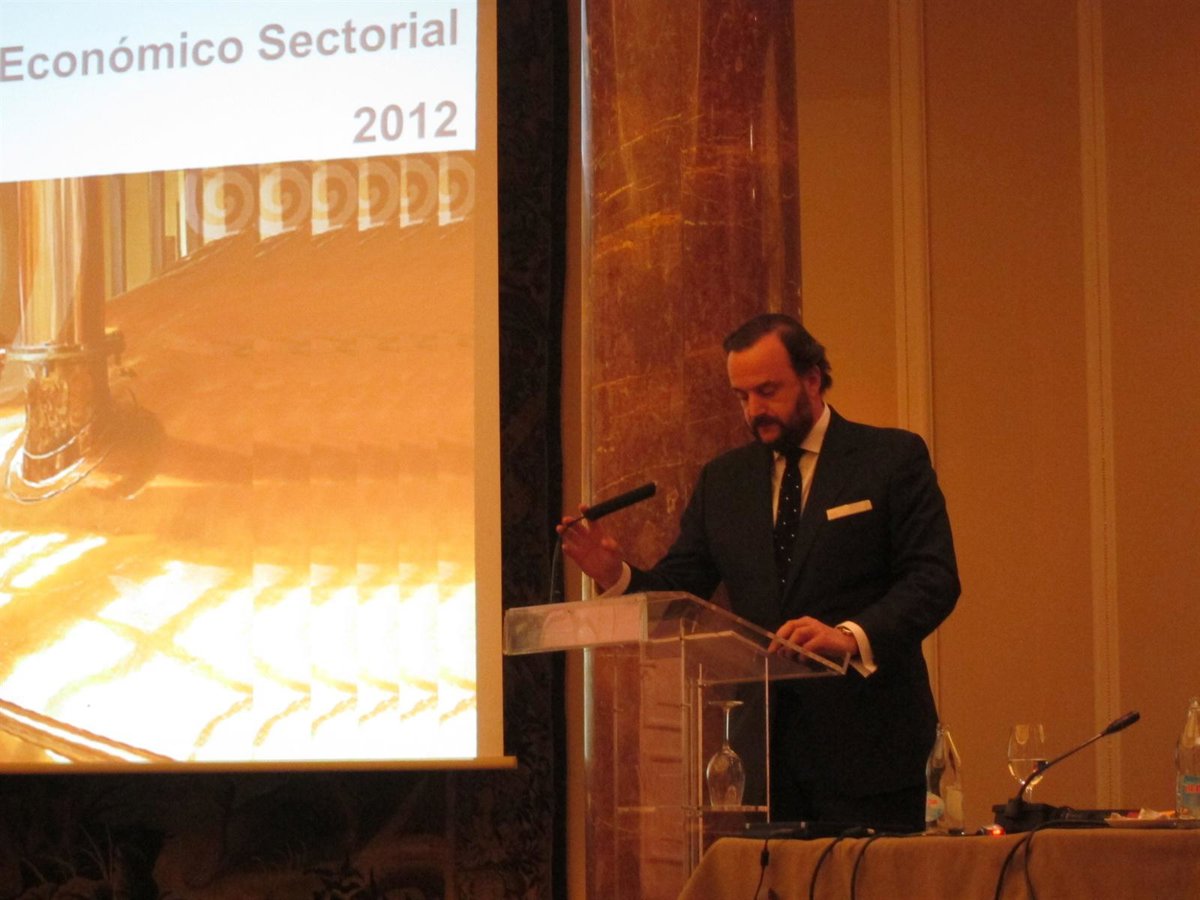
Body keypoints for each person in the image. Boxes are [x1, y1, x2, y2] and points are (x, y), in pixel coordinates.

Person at [558, 313, 959, 831]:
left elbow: (933, 580)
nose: (754, 411)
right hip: (763, 764)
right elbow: (679, 592)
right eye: (742, 396)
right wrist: (614, 575)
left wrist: (847, 637)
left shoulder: (889, 458)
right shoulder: (724, 481)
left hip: (872, 752)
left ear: (812, 378)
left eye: (767, 391)